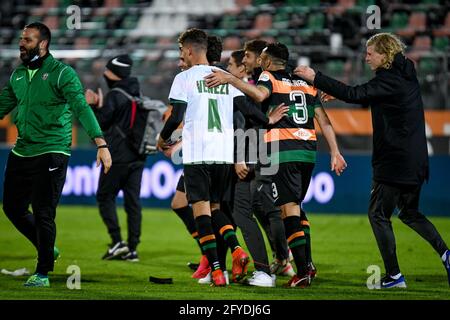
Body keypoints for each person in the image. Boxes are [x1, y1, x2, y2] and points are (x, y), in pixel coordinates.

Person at [294, 32, 450, 288]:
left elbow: (356, 94)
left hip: (395, 160)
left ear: (384, 54)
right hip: (416, 159)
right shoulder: (405, 72)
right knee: (410, 213)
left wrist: (316, 78)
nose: (366, 58)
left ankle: (394, 276)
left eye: (370, 53)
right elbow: (376, 98)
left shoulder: (389, 79)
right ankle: (446, 254)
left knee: (378, 213)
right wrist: (347, 94)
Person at [205, 42, 347, 288]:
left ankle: (300, 270)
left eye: (258, 58)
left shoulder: (268, 78)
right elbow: (323, 120)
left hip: (284, 151)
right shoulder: (305, 83)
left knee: (287, 210)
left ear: (268, 62)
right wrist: (335, 151)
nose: (257, 62)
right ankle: (305, 265)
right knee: (296, 209)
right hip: (308, 152)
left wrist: (228, 79)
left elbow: (259, 96)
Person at [157, 28, 287, 286]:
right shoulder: (226, 78)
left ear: (191, 51)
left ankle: (217, 270)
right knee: (217, 209)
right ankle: (236, 251)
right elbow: (248, 110)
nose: (181, 54)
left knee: (201, 211)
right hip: (224, 154)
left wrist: (162, 139)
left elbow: (175, 116)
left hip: (197, 153)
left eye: (182, 50)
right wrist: (268, 120)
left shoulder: (184, 78)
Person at [0, 22, 112, 287]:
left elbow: (81, 108)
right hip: (23, 150)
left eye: (27, 39)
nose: (21, 43)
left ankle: (42, 272)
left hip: (52, 149)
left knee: (43, 211)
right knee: (13, 208)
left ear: (43, 44)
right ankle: (46, 246)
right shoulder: (18, 75)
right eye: (21, 38)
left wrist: (101, 143)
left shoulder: (62, 74)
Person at [85, 54, 146, 262]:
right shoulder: (137, 93)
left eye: (108, 71)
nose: (105, 74)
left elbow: (100, 124)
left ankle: (118, 242)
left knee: (104, 197)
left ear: (115, 73)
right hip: (138, 156)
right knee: (133, 203)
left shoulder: (114, 95)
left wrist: (93, 105)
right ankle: (133, 248)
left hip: (117, 156)